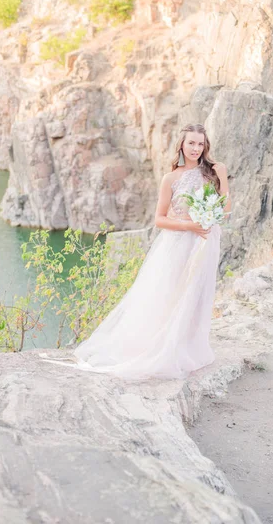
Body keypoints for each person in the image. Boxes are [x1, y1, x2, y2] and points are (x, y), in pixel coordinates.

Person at [71, 123, 231, 380]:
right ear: (181, 144)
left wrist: (219, 185)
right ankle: (162, 347)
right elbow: (159, 219)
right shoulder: (171, 178)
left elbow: (225, 206)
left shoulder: (214, 172)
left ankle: (188, 347)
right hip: (179, 242)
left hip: (205, 242)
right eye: (191, 143)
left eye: (200, 144)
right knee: (170, 294)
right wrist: (189, 224)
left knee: (197, 295)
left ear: (205, 146)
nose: (195, 148)